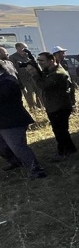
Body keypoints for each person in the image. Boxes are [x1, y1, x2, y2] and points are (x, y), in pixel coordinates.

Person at [0, 47, 47, 179]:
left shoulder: (7, 81)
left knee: (18, 147)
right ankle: (16, 162)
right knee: (3, 147)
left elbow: (6, 98)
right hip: (3, 121)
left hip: (11, 121)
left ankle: (36, 170)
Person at [35, 52, 77, 160]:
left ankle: (62, 152)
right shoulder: (50, 71)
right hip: (55, 105)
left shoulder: (58, 73)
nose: (40, 63)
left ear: (51, 61)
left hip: (59, 106)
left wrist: (33, 74)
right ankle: (71, 149)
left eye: (42, 60)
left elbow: (44, 85)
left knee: (59, 131)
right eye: (38, 60)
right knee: (62, 130)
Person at [7, 42, 43, 110]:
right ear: (18, 48)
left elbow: (35, 63)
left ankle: (40, 106)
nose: (26, 49)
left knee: (38, 91)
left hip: (33, 77)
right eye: (24, 47)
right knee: (29, 93)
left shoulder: (28, 55)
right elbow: (13, 68)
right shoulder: (12, 57)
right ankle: (33, 108)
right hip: (23, 78)